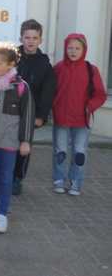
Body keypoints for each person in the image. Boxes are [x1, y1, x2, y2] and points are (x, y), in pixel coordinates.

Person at [0, 42, 34, 234]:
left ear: (11, 64)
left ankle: (1, 215)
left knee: (6, 178)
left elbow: (28, 114)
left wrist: (25, 140)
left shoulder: (21, 87)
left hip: (11, 142)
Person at [51, 33, 106, 196]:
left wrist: (89, 107)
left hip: (82, 121)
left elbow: (100, 94)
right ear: (65, 48)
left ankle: (76, 181)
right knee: (60, 151)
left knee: (79, 153)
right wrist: (53, 107)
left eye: (77, 48)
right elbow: (51, 91)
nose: (73, 51)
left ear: (84, 50)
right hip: (61, 119)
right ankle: (59, 179)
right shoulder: (59, 68)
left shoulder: (91, 70)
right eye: (70, 48)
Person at [12, 19, 56, 195]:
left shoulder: (44, 65)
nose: (30, 41)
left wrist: (41, 116)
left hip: (30, 114)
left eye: (34, 38)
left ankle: (17, 178)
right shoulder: (11, 58)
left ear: (40, 40)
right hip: (9, 111)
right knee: (6, 144)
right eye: (27, 37)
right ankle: (3, 176)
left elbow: (48, 93)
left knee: (24, 147)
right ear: (21, 38)